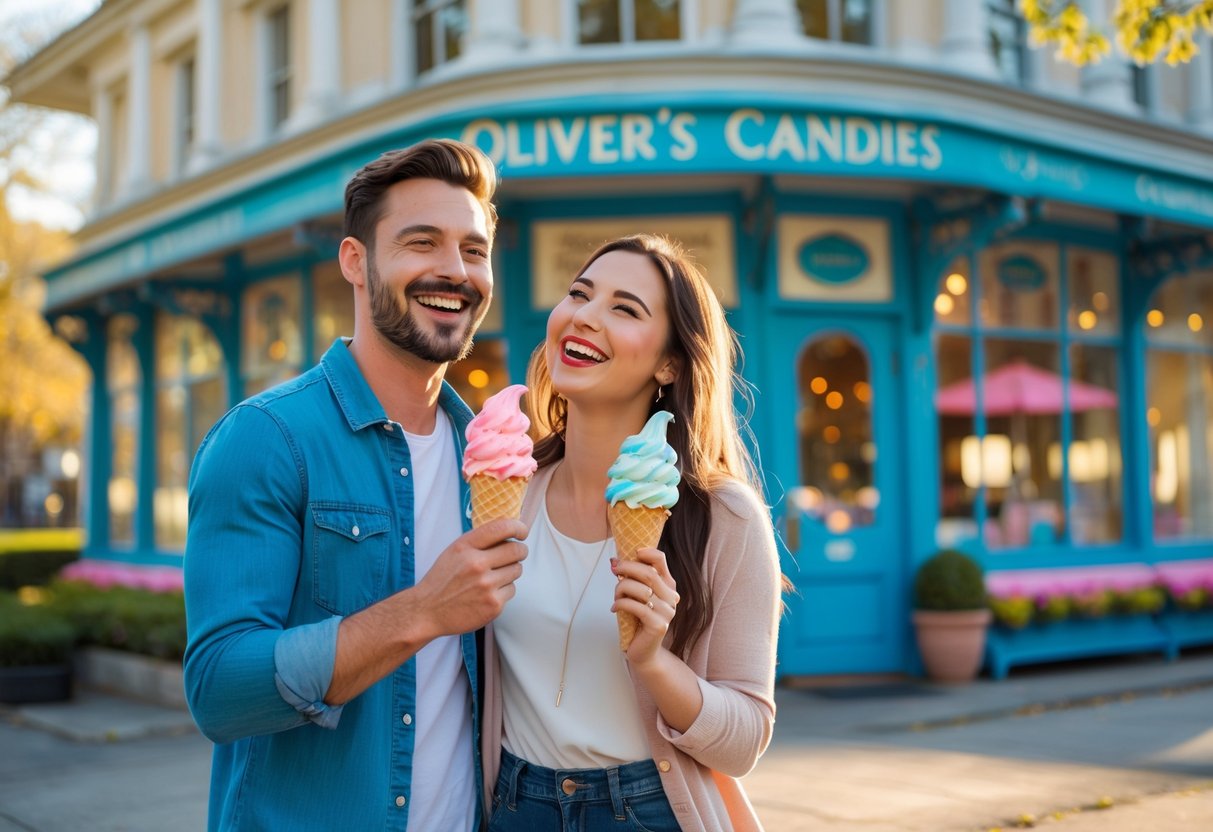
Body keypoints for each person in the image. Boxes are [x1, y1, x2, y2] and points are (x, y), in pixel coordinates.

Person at [184, 139, 528, 831]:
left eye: (474, 249)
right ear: (355, 260)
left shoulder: (492, 459)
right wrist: (422, 611)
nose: (454, 271)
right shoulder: (267, 438)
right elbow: (219, 689)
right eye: (421, 242)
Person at [482, 234, 783, 831]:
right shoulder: (511, 488)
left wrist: (654, 662)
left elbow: (745, 741)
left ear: (669, 363)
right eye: (578, 294)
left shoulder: (727, 518)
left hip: (646, 810)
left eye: (624, 308)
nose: (584, 317)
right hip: (509, 803)